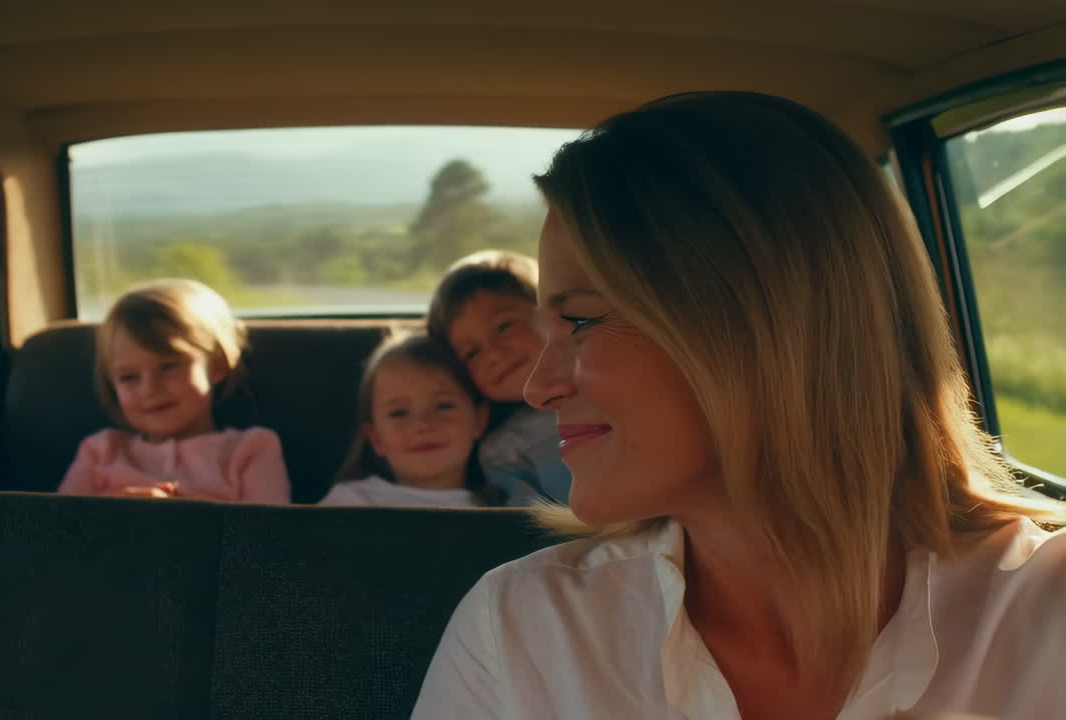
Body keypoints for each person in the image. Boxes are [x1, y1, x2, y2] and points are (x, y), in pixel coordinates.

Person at [412, 92, 1066, 719]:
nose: (539, 386)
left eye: (580, 320)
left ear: (765, 329)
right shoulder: (528, 629)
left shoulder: (1045, 615)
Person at [58, 279, 290, 503]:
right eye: (129, 377)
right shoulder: (99, 451)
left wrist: (177, 521)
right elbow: (55, 529)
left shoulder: (252, 450)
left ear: (217, 365)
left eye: (169, 367)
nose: (149, 389)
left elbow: (268, 536)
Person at [427, 250, 572, 505]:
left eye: (504, 327)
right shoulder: (503, 450)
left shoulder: (610, 383)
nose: (493, 353)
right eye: (472, 353)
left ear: (550, 312)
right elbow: (529, 526)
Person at [320, 332, 500, 507]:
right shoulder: (351, 503)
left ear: (479, 419)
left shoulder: (504, 509)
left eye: (443, 406)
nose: (423, 425)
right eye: (399, 413)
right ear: (376, 438)